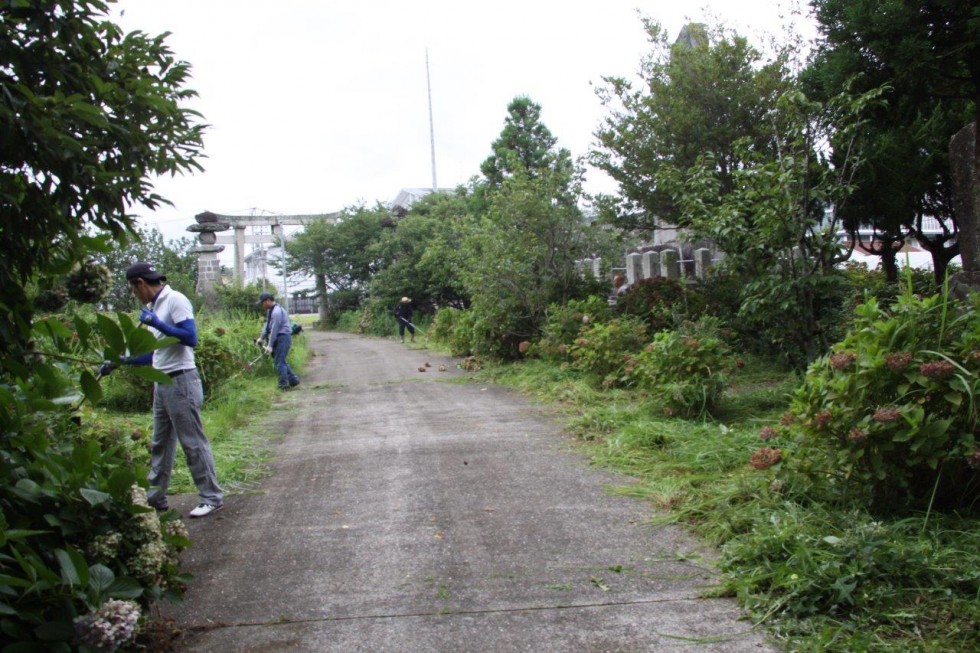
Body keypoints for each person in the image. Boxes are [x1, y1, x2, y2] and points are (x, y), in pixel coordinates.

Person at [99, 262, 223, 518]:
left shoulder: (175, 300)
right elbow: (153, 353)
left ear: (140, 283)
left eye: (134, 289)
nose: (135, 295)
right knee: (161, 444)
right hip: (162, 381)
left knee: (192, 443)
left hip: (181, 381)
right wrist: (119, 360)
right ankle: (155, 498)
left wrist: (158, 323)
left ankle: (211, 497)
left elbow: (191, 338)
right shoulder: (153, 307)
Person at [256, 291, 300, 390]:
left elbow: (274, 329)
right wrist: (261, 338)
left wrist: (270, 345)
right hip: (279, 337)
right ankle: (293, 380)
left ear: (267, 301)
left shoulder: (276, 312)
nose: (262, 305)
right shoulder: (271, 311)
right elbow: (267, 326)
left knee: (279, 362)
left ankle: (283, 385)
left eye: (262, 302)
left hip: (283, 337)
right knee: (281, 361)